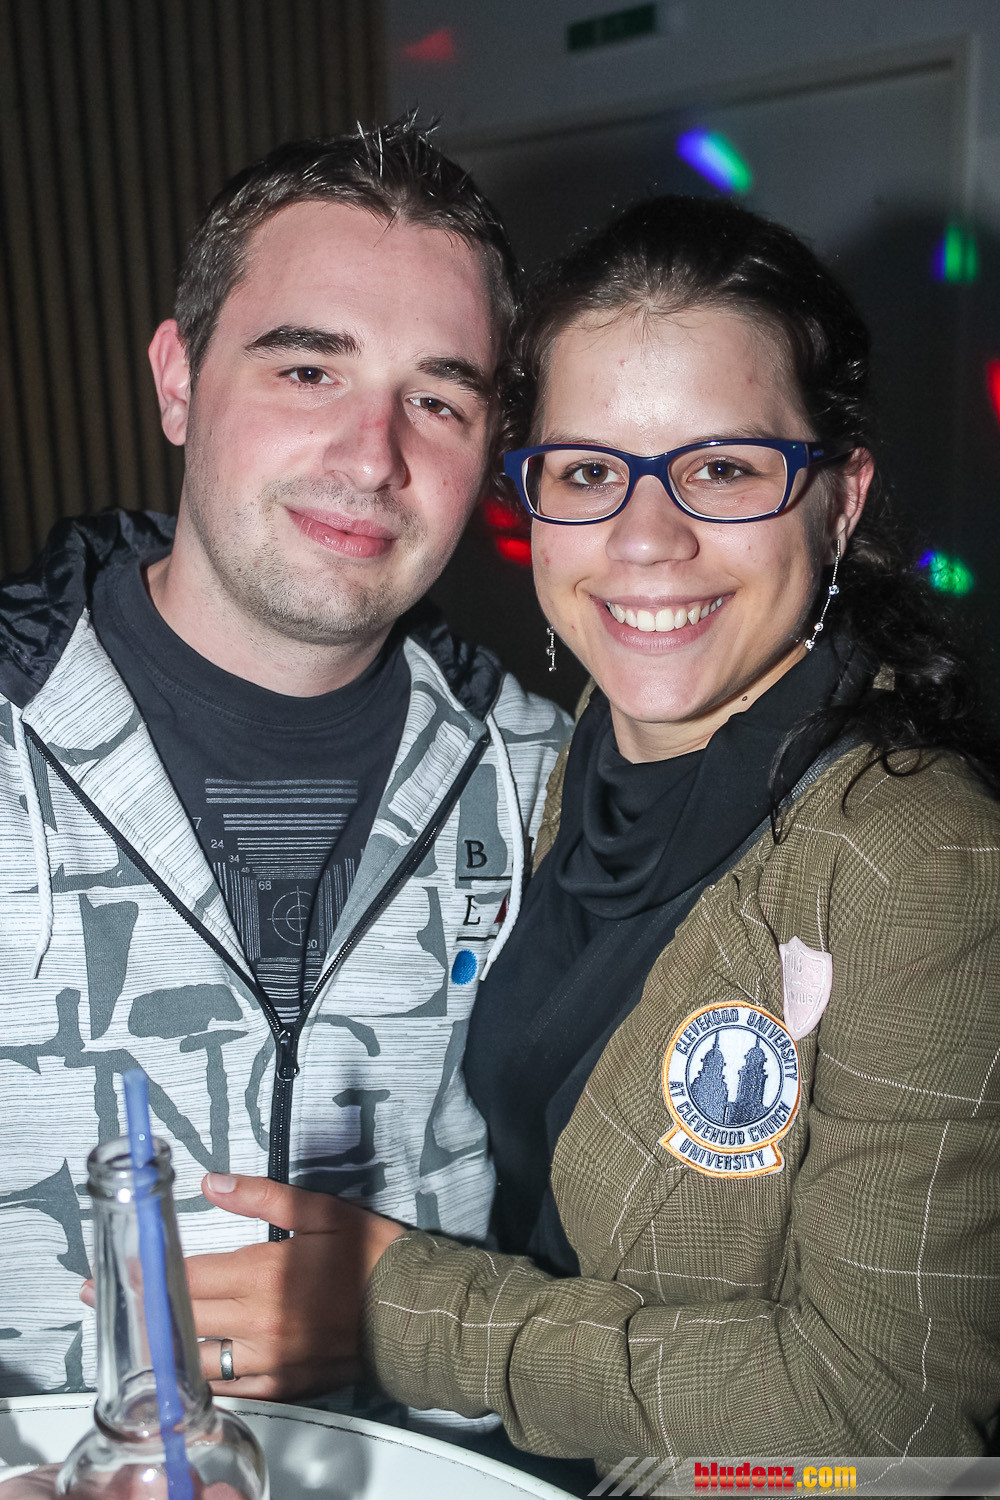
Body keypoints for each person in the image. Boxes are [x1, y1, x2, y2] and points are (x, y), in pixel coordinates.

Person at [184, 194, 1000, 1478]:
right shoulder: (553, 765)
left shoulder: (920, 859)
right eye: (586, 472)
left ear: (838, 503)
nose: (643, 539)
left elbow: (892, 1424)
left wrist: (407, 1319)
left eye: (722, 469)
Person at [0, 119, 569, 1401]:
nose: (373, 458)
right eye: (308, 370)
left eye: (438, 399)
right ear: (178, 379)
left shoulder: (551, 785)